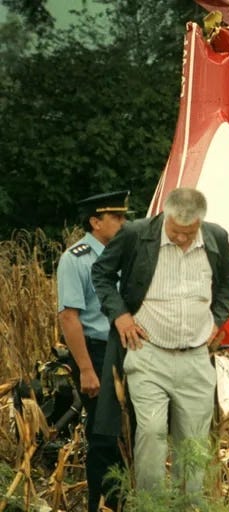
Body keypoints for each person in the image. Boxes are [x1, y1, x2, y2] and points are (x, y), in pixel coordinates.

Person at [91, 187, 229, 493]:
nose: (182, 238)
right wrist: (120, 315)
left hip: (196, 356)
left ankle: (190, 503)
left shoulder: (216, 238)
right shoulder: (136, 234)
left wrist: (218, 319)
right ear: (165, 216)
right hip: (148, 352)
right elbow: (102, 274)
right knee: (152, 431)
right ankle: (151, 503)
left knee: (194, 440)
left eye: (189, 231)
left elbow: (228, 280)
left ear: (200, 222)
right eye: (175, 231)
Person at [56, 190, 129, 512]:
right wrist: (85, 369)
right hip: (97, 352)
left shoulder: (127, 253)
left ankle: (124, 501)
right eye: (116, 217)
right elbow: (69, 316)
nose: (124, 222)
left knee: (129, 435)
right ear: (95, 221)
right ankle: (100, 506)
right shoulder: (77, 258)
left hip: (130, 350)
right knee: (103, 436)